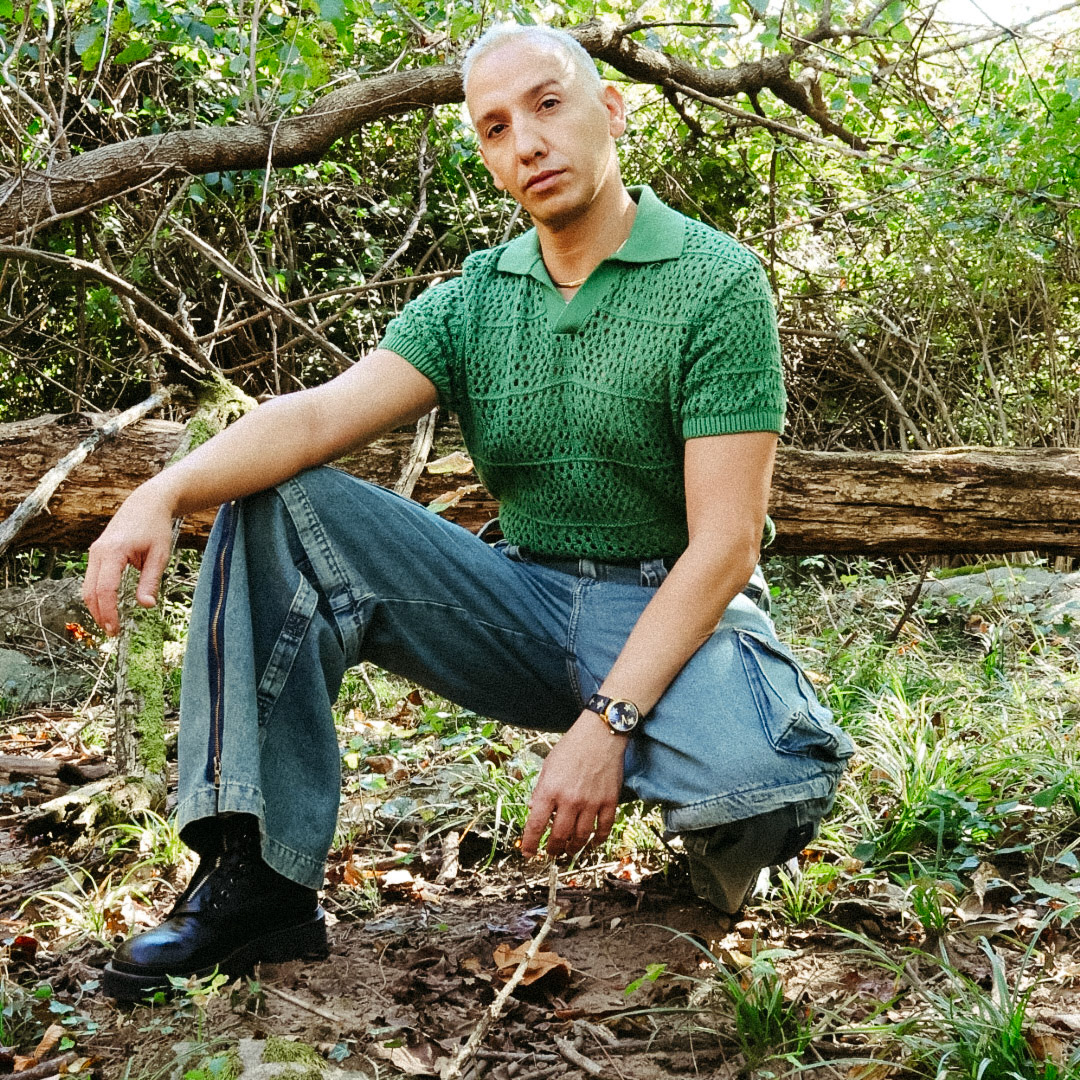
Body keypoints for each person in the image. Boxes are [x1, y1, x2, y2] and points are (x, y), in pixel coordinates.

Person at [82, 24, 854, 1002]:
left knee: (765, 788)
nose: (526, 142)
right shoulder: (475, 302)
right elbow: (315, 416)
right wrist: (161, 490)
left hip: (677, 604)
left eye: (547, 104)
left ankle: (713, 851)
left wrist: (607, 726)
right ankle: (258, 879)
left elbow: (727, 544)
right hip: (522, 602)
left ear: (610, 110)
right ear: (486, 155)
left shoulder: (715, 282)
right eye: (494, 128)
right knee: (280, 503)